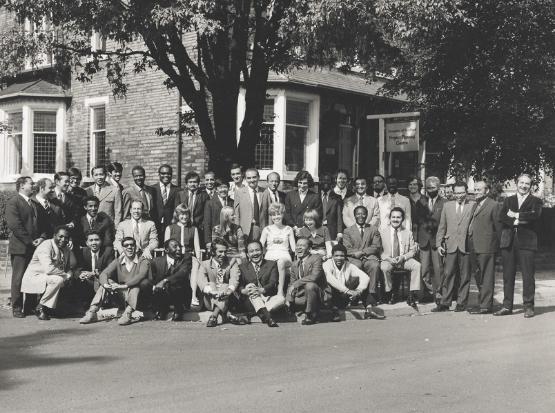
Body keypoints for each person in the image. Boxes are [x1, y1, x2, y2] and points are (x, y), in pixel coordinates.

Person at [494, 174, 542, 318]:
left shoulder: (536, 200)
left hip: (527, 242)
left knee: (528, 276)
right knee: (508, 275)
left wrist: (515, 215)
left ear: (531, 186)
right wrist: (520, 218)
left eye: (527, 184)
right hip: (508, 241)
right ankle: (507, 306)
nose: (523, 186)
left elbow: (535, 216)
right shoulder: (508, 200)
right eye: (521, 183)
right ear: (516, 183)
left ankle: (528, 306)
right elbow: (502, 216)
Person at [79, 237, 150, 326]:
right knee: (106, 283)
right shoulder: (118, 261)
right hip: (122, 296)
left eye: (132, 245)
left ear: (136, 247)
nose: (129, 247)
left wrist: (125, 286)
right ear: (123, 248)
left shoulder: (143, 260)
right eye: (126, 245)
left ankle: (128, 314)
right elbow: (104, 273)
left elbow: (141, 275)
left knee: (136, 286)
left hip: (137, 297)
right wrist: (106, 284)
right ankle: (92, 312)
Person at [433, 182, 475, 312]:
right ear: (453, 193)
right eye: (457, 193)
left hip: (466, 246)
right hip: (450, 245)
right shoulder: (447, 206)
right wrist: (439, 244)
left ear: (466, 192)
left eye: (462, 192)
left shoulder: (473, 205)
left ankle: (462, 303)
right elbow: (442, 226)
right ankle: (445, 302)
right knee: (448, 274)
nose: (459, 196)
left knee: (465, 275)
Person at [20, 226, 77, 320]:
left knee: (66, 279)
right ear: (54, 235)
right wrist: (66, 275)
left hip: (50, 276)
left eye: (66, 237)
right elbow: (49, 269)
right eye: (60, 236)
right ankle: (41, 307)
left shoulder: (65, 247)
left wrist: (70, 252)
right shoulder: (45, 245)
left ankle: (50, 308)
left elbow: (73, 264)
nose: (63, 239)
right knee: (58, 280)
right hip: (35, 276)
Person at [5, 176, 41, 318]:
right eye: (31, 184)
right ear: (21, 186)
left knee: (32, 277)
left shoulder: (34, 203)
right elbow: (15, 225)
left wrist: (40, 239)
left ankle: (30, 306)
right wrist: (30, 241)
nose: (33, 186)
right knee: (18, 278)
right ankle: (17, 307)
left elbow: (40, 223)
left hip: (34, 247)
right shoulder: (13, 202)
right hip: (20, 247)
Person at [323, 243, 385, 321]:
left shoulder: (348, 265)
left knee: (361, 280)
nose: (339, 258)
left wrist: (358, 290)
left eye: (342, 256)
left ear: (345, 257)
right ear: (332, 256)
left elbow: (365, 277)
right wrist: (347, 291)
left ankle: (369, 308)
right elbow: (330, 279)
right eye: (336, 256)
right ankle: (333, 311)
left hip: (342, 298)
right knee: (327, 285)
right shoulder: (327, 264)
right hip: (330, 300)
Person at [467, 180, 501, 314]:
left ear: (486, 191)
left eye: (478, 190)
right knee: (478, 276)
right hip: (474, 246)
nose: (475, 192)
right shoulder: (475, 204)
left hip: (487, 247)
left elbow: (498, 228)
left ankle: (486, 306)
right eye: (475, 189)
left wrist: (498, 248)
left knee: (486, 277)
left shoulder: (494, 205)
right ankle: (483, 302)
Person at [413, 176, 446, 303]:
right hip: (423, 240)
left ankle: (439, 293)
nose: (430, 190)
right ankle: (430, 290)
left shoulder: (445, 203)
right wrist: (415, 240)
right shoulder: (420, 203)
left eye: (433, 188)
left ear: (438, 188)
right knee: (424, 269)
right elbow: (415, 223)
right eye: (428, 188)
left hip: (437, 241)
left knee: (439, 269)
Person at [379, 207, 421, 307]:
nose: (395, 219)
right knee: (384, 268)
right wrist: (388, 258)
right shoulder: (382, 232)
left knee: (417, 265)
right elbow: (379, 250)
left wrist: (403, 257)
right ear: (389, 218)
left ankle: (412, 294)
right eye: (393, 217)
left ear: (402, 219)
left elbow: (412, 251)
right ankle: (389, 293)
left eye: (398, 217)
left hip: (403, 260)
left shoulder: (408, 233)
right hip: (388, 259)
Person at [236, 240, 283, 327]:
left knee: (281, 300)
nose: (255, 253)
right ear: (247, 254)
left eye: (257, 250)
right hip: (250, 299)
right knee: (251, 287)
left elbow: (273, 282)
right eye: (251, 251)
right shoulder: (242, 267)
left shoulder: (271, 264)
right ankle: (268, 318)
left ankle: (255, 313)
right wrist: (243, 291)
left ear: (263, 251)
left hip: (268, 298)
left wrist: (262, 290)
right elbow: (239, 284)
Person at [342, 206, 381, 305]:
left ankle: (371, 295)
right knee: (356, 266)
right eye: (358, 214)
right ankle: (354, 294)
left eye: (363, 214)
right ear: (354, 216)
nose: (361, 216)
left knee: (374, 265)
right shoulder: (347, 231)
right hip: (353, 258)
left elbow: (376, 246)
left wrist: (363, 252)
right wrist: (356, 254)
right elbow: (347, 248)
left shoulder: (373, 229)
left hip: (369, 257)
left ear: (367, 215)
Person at [197, 238, 240, 327]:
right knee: (211, 283)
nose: (223, 255)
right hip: (211, 300)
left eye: (225, 252)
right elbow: (201, 280)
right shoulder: (204, 264)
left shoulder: (232, 262)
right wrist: (213, 292)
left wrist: (229, 291)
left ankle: (214, 316)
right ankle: (228, 314)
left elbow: (234, 278)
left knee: (225, 285)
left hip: (229, 297)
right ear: (212, 252)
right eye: (220, 252)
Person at [165, 204, 202, 307]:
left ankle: (193, 296)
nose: (184, 217)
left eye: (186, 214)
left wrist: (198, 259)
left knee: (195, 264)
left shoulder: (193, 229)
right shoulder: (170, 228)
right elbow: (167, 247)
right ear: (177, 215)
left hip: (188, 256)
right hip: (174, 256)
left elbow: (197, 247)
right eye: (182, 214)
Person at [286, 238, 327, 325]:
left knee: (310, 285)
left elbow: (314, 277)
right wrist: (288, 300)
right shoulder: (294, 264)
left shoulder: (316, 258)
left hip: (318, 293)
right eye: (297, 245)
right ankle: (301, 308)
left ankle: (310, 314)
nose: (299, 248)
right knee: (289, 300)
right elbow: (291, 283)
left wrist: (296, 284)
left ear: (309, 249)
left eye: (302, 246)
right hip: (302, 294)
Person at [150, 238, 192, 321]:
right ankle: (161, 309)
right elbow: (153, 279)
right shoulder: (156, 261)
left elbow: (182, 274)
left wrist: (165, 280)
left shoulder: (186, 258)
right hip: (164, 294)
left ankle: (179, 310)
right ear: (166, 250)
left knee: (176, 283)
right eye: (175, 247)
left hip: (180, 295)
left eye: (179, 246)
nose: (179, 249)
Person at [260, 202, 296, 296]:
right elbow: (259, 245)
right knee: (269, 265)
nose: (276, 217)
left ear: (283, 214)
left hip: (284, 256)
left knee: (280, 262)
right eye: (273, 215)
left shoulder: (288, 229)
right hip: (270, 256)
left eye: (278, 214)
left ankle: (280, 292)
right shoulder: (266, 229)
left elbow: (294, 248)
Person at [74, 230, 114, 306]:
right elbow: (77, 268)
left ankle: (104, 303)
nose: (94, 243)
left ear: (101, 241)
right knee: (80, 281)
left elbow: (110, 270)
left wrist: (93, 273)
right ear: (87, 243)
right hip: (88, 282)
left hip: (101, 280)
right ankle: (84, 304)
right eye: (91, 240)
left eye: (96, 240)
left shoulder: (108, 251)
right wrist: (80, 274)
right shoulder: (82, 252)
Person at [284, 170, 323, 236]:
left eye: (305, 183)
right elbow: (287, 214)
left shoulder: (315, 197)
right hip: (292, 230)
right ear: (297, 182)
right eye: (300, 182)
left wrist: (303, 229)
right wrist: (295, 227)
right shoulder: (290, 195)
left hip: (308, 231)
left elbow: (318, 216)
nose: (302, 185)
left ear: (309, 184)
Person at [176, 171, 210, 244]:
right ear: (187, 184)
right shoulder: (180, 194)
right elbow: (177, 211)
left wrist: (202, 225)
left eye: (194, 182)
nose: (192, 184)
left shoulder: (204, 195)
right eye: (190, 182)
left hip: (198, 227)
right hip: (183, 226)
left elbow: (206, 213)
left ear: (198, 183)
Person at [151, 164, 180, 244]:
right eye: (163, 173)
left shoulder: (177, 190)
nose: (166, 175)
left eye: (168, 173)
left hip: (171, 225)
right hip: (155, 225)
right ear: (159, 174)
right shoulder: (152, 189)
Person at [234, 167, 265, 241]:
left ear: (258, 177)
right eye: (249, 178)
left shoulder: (264, 192)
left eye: (254, 177)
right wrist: (238, 229)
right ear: (245, 179)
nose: (252, 180)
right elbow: (236, 213)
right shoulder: (240, 193)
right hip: (245, 229)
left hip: (261, 228)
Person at [203, 179, 233, 247]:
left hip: (230, 239)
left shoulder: (232, 202)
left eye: (225, 187)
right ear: (216, 189)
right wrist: (208, 241)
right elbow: (207, 223)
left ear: (228, 188)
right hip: (215, 238)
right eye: (220, 187)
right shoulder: (210, 203)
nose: (223, 190)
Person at [318, 172, 344, 241]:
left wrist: (339, 232)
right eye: (323, 180)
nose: (325, 182)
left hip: (332, 231)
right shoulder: (315, 197)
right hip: (317, 230)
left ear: (332, 182)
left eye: (328, 180)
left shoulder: (337, 198)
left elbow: (339, 216)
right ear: (320, 182)